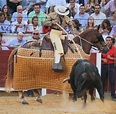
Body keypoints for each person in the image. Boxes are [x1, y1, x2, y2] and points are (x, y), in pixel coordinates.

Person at [43, 6, 72, 71]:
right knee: (58, 44)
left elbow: (71, 25)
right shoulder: (52, 15)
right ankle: (56, 63)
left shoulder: (66, 18)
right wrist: (51, 23)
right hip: (54, 32)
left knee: (69, 41)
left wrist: (71, 29)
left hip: (61, 33)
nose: (62, 15)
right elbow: (44, 23)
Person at [101, 36, 116, 101]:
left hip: (111, 65)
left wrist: (111, 58)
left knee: (112, 81)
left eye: (109, 40)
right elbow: (98, 56)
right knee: (102, 80)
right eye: (107, 40)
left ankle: (113, 95)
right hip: (104, 66)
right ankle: (101, 94)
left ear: (112, 41)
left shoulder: (115, 49)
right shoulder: (102, 48)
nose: (108, 41)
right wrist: (103, 59)